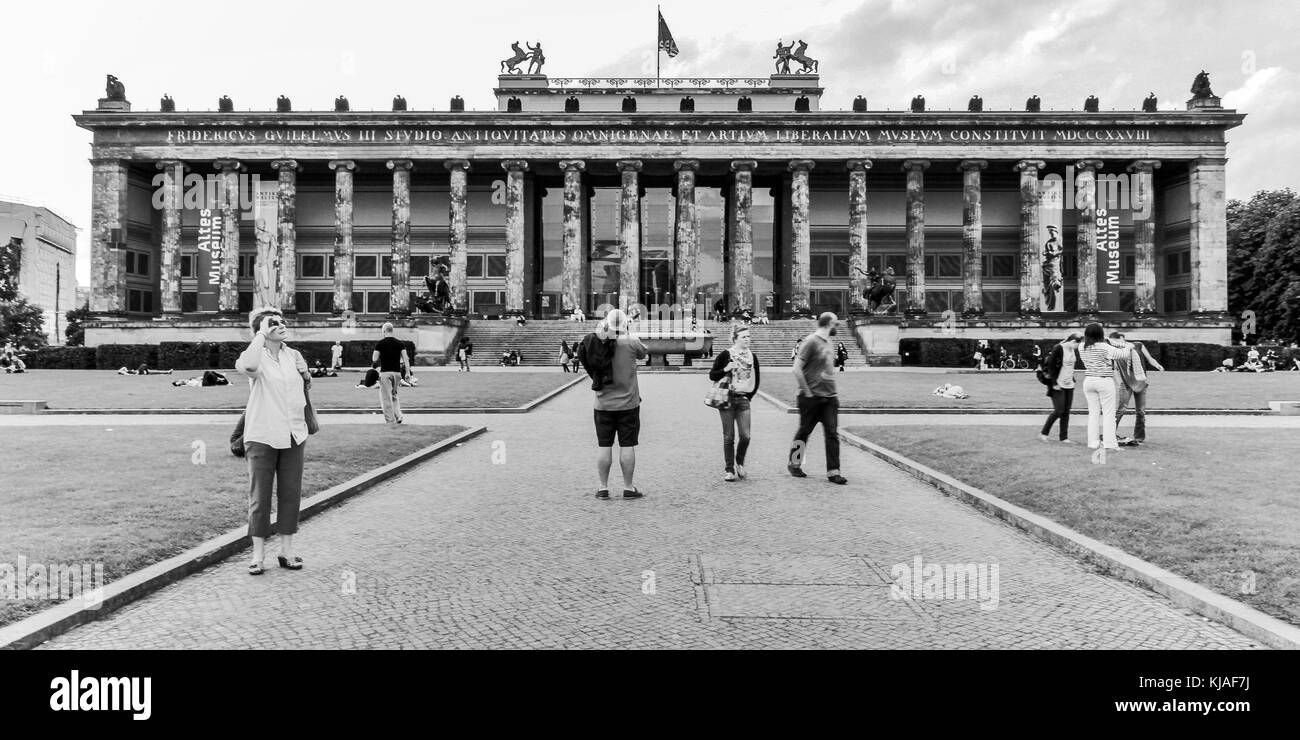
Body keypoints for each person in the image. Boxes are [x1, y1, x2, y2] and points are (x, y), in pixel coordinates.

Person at [235, 308, 311, 576]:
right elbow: (250, 367)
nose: (281, 325)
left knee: (290, 494)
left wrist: (307, 375)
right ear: (261, 329)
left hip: (293, 433)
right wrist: (259, 336)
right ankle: (258, 555)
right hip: (262, 434)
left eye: (282, 321)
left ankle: (286, 551)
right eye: (274, 323)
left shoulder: (294, 355)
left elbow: (301, 389)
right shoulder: (252, 355)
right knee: (260, 497)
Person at [586, 309, 648, 499]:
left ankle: (603, 487)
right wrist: (628, 332)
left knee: (604, 446)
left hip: (603, 403)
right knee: (627, 445)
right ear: (625, 324)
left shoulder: (599, 342)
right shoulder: (630, 341)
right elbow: (643, 353)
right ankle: (628, 488)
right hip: (628, 404)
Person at [788, 312, 847, 484]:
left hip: (829, 398)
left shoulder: (829, 341)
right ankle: (794, 464)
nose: (838, 327)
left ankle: (833, 471)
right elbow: (797, 369)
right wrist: (807, 392)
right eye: (836, 324)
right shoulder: (810, 342)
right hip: (810, 397)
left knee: (832, 433)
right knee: (804, 431)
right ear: (828, 324)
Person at [710, 324, 762, 482]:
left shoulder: (752, 356)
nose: (747, 339)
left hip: (743, 399)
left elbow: (757, 378)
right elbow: (712, 375)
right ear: (735, 339)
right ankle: (729, 469)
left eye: (748, 336)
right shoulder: (726, 354)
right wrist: (726, 369)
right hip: (727, 398)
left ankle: (740, 462)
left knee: (746, 436)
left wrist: (749, 395)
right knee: (729, 437)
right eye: (743, 337)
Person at [1078, 323, 1122, 464]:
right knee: (1109, 414)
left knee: (1093, 414)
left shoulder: (1082, 347)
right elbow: (1121, 354)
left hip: (1089, 380)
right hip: (1104, 381)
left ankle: (1093, 442)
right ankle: (1110, 443)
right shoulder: (1104, 347)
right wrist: (1124, 345)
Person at [1110, 332, 1163, 447]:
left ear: (1122, 338)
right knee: (1121, 409)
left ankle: (1139, 438)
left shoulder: (1138, 345)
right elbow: (1114, 369)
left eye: (1117, 341)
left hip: (1140, 382)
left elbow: (1149, 358)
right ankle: (1110, 434)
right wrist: (1118, 382)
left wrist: (1157, 365)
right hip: (1126, 383)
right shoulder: (1115, 351)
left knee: (1141, 412)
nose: (1116, 344)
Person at [1040, 332, 1082, 444]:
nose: (1077, 347)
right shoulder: (1059, 348)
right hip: (1058, 384)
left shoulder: (1072, 349)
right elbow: (1051, 366)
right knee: (1059, 410)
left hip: (1069, 384)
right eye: (1077, 344)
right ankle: (1044, 433)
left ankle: (1064, 438)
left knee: (1066, 412)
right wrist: (1054, 383)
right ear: (1073, 342)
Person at [371, 323, 408, 424]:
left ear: (384, 331)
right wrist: (408, 372)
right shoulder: (400, 343)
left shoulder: (380, 344)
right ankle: (398, 416)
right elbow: (406, 359)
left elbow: (374, 359)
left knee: (386, 398)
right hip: (397, 373)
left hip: (385, 373)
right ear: (392, 330)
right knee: (394, 395)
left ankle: (390, 421)